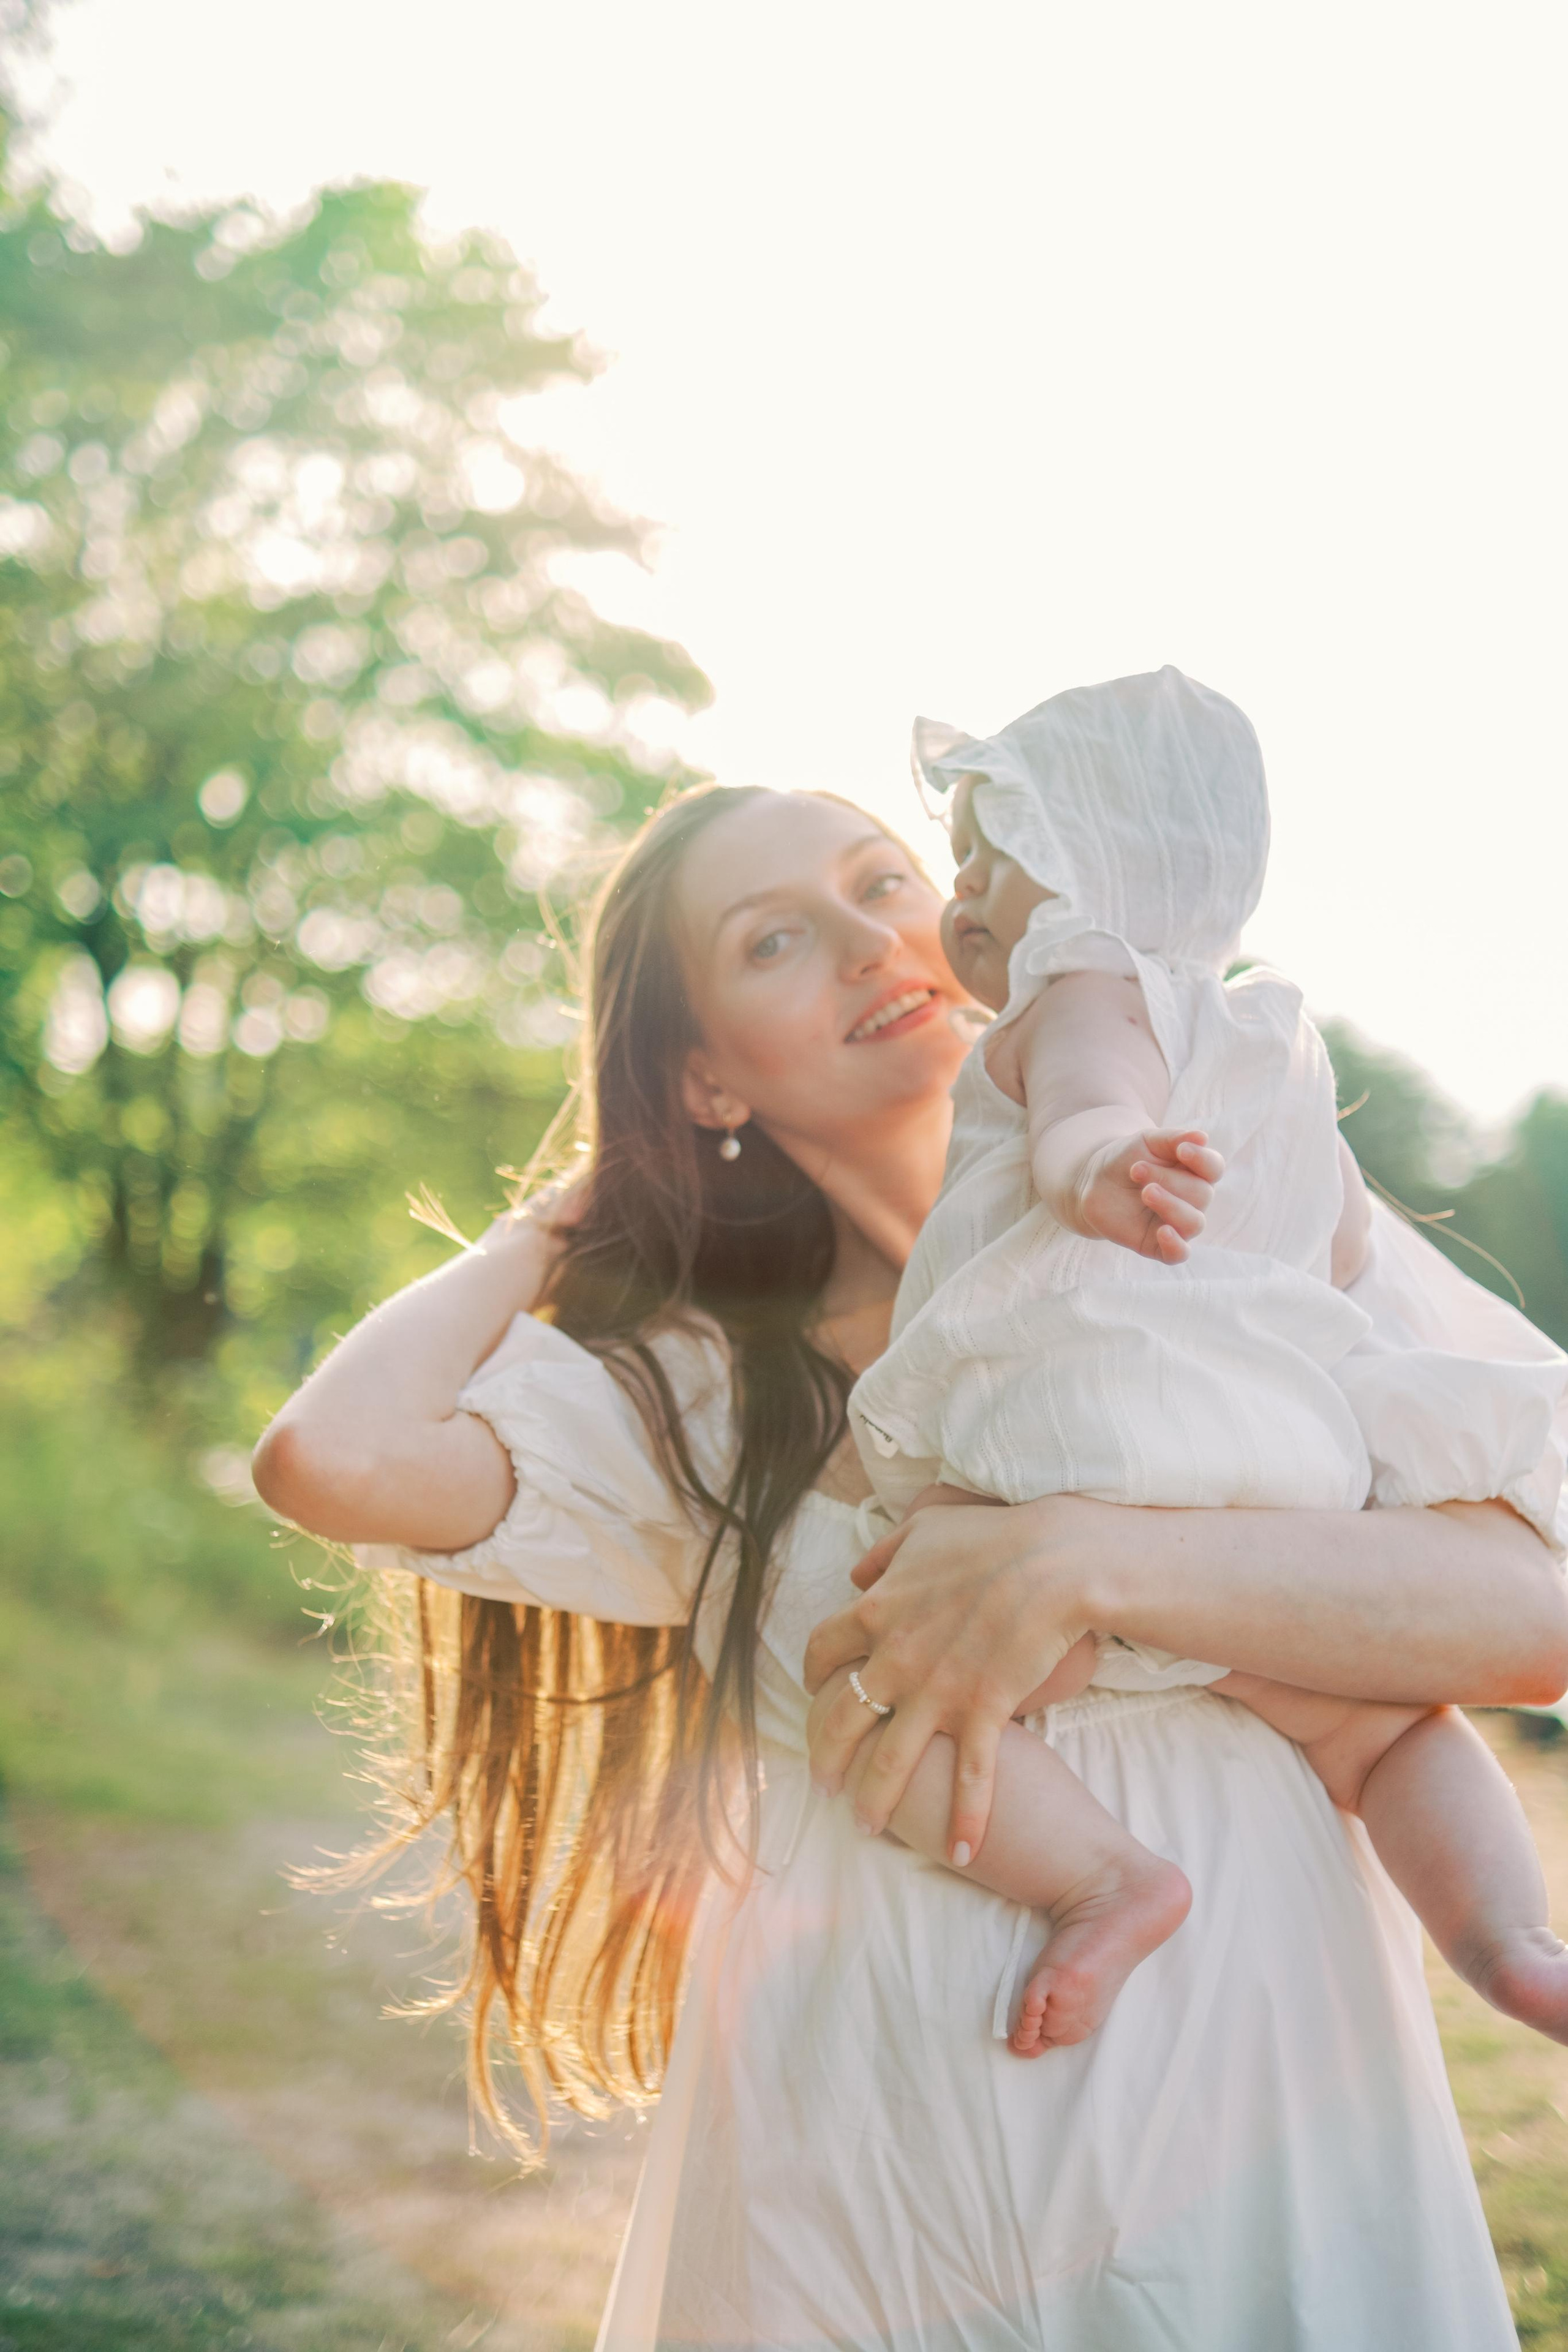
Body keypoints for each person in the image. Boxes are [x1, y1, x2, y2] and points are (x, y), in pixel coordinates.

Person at [254, 781, 1568, 2351]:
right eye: (773, 940)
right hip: (862, 2183)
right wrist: (550, 1223)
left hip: (1261, 2117)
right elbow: (330, 1460)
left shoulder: (1219, 1217)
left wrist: (1082, 1563)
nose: (869, 940)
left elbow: (1535, 1616)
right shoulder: (697, 1401)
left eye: (883, 883)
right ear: (705, 1076)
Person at [840, 667, 1568, 2059]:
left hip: (1079, 1443)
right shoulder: (1276, 1049)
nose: (960, 891)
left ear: (1096, 875)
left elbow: (1086, 1106)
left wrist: (1097, 1166)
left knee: (897, 1677)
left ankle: (1107, 1882)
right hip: (1277, 1479)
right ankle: (1510, 1945)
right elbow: (1339, 1256)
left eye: (993, 854)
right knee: (1386, 1733)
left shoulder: (1080, 988)